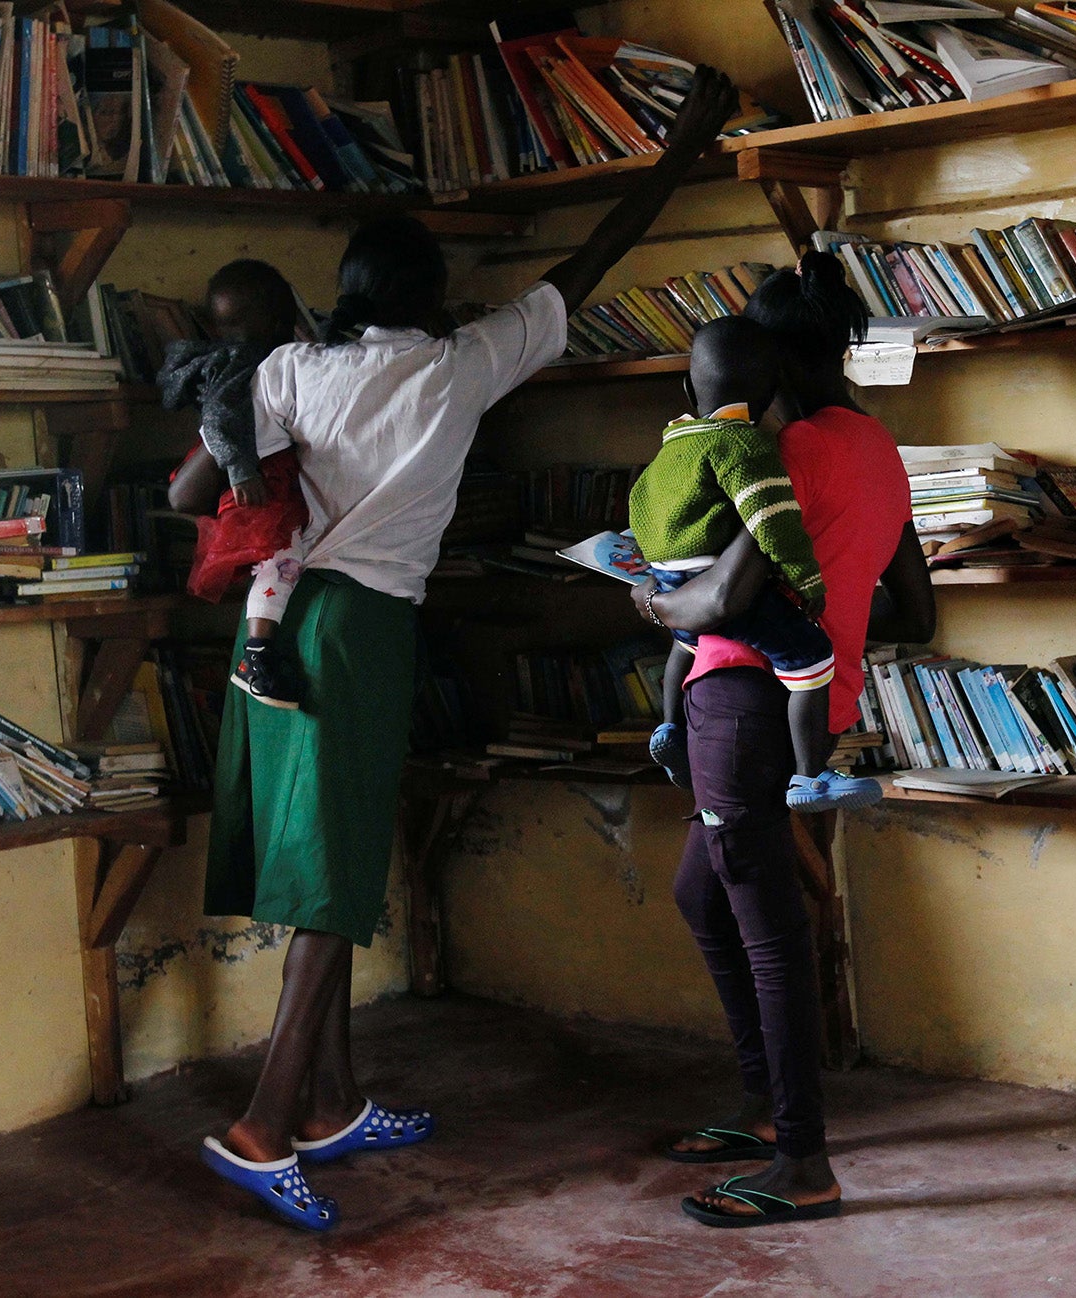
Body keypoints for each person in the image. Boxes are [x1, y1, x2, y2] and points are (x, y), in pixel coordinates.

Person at [193, 68, 743, 1233]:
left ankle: (332, 1102)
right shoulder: (455, 369)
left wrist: (241, 432)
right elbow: (585, 268)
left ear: (340, 297)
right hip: (357, 632)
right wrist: (685, 141)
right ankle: (260, 1123)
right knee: (334, 884)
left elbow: (203, 477)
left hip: (275, 623)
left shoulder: (290, 369)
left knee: (325, 864)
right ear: (432, 295)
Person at [631, 251, 937, 1227]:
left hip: (743, 700)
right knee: (703, 891)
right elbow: (915, 609)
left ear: (762, 360)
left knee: (767, 928)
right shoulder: (877, 448)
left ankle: (802, 1160)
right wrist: (830, 613)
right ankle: (767, 1109)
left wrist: (646, 594)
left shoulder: (786, 453)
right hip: (805, 695)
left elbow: (722, 594)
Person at [629, 316, 882, 814]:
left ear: (687, 386)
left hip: (669, 574)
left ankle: (669, 727)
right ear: (769, 395)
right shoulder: (746, 446)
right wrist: (806, 580)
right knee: (811, 660)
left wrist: (656, 577)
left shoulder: (671, 446)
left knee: (683, 647)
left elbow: (640, 506)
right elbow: (773, 522)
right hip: (720, 597)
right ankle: (811, 778)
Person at [160, 259, 310, 707]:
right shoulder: (250, 362)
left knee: (282, 558)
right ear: (282, 319)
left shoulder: (249, 356)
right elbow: (220, 418)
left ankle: (259, 651)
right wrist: (241, 469)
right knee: (282, 557)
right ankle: (257, 655)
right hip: (259, 479)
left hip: (262, 472)